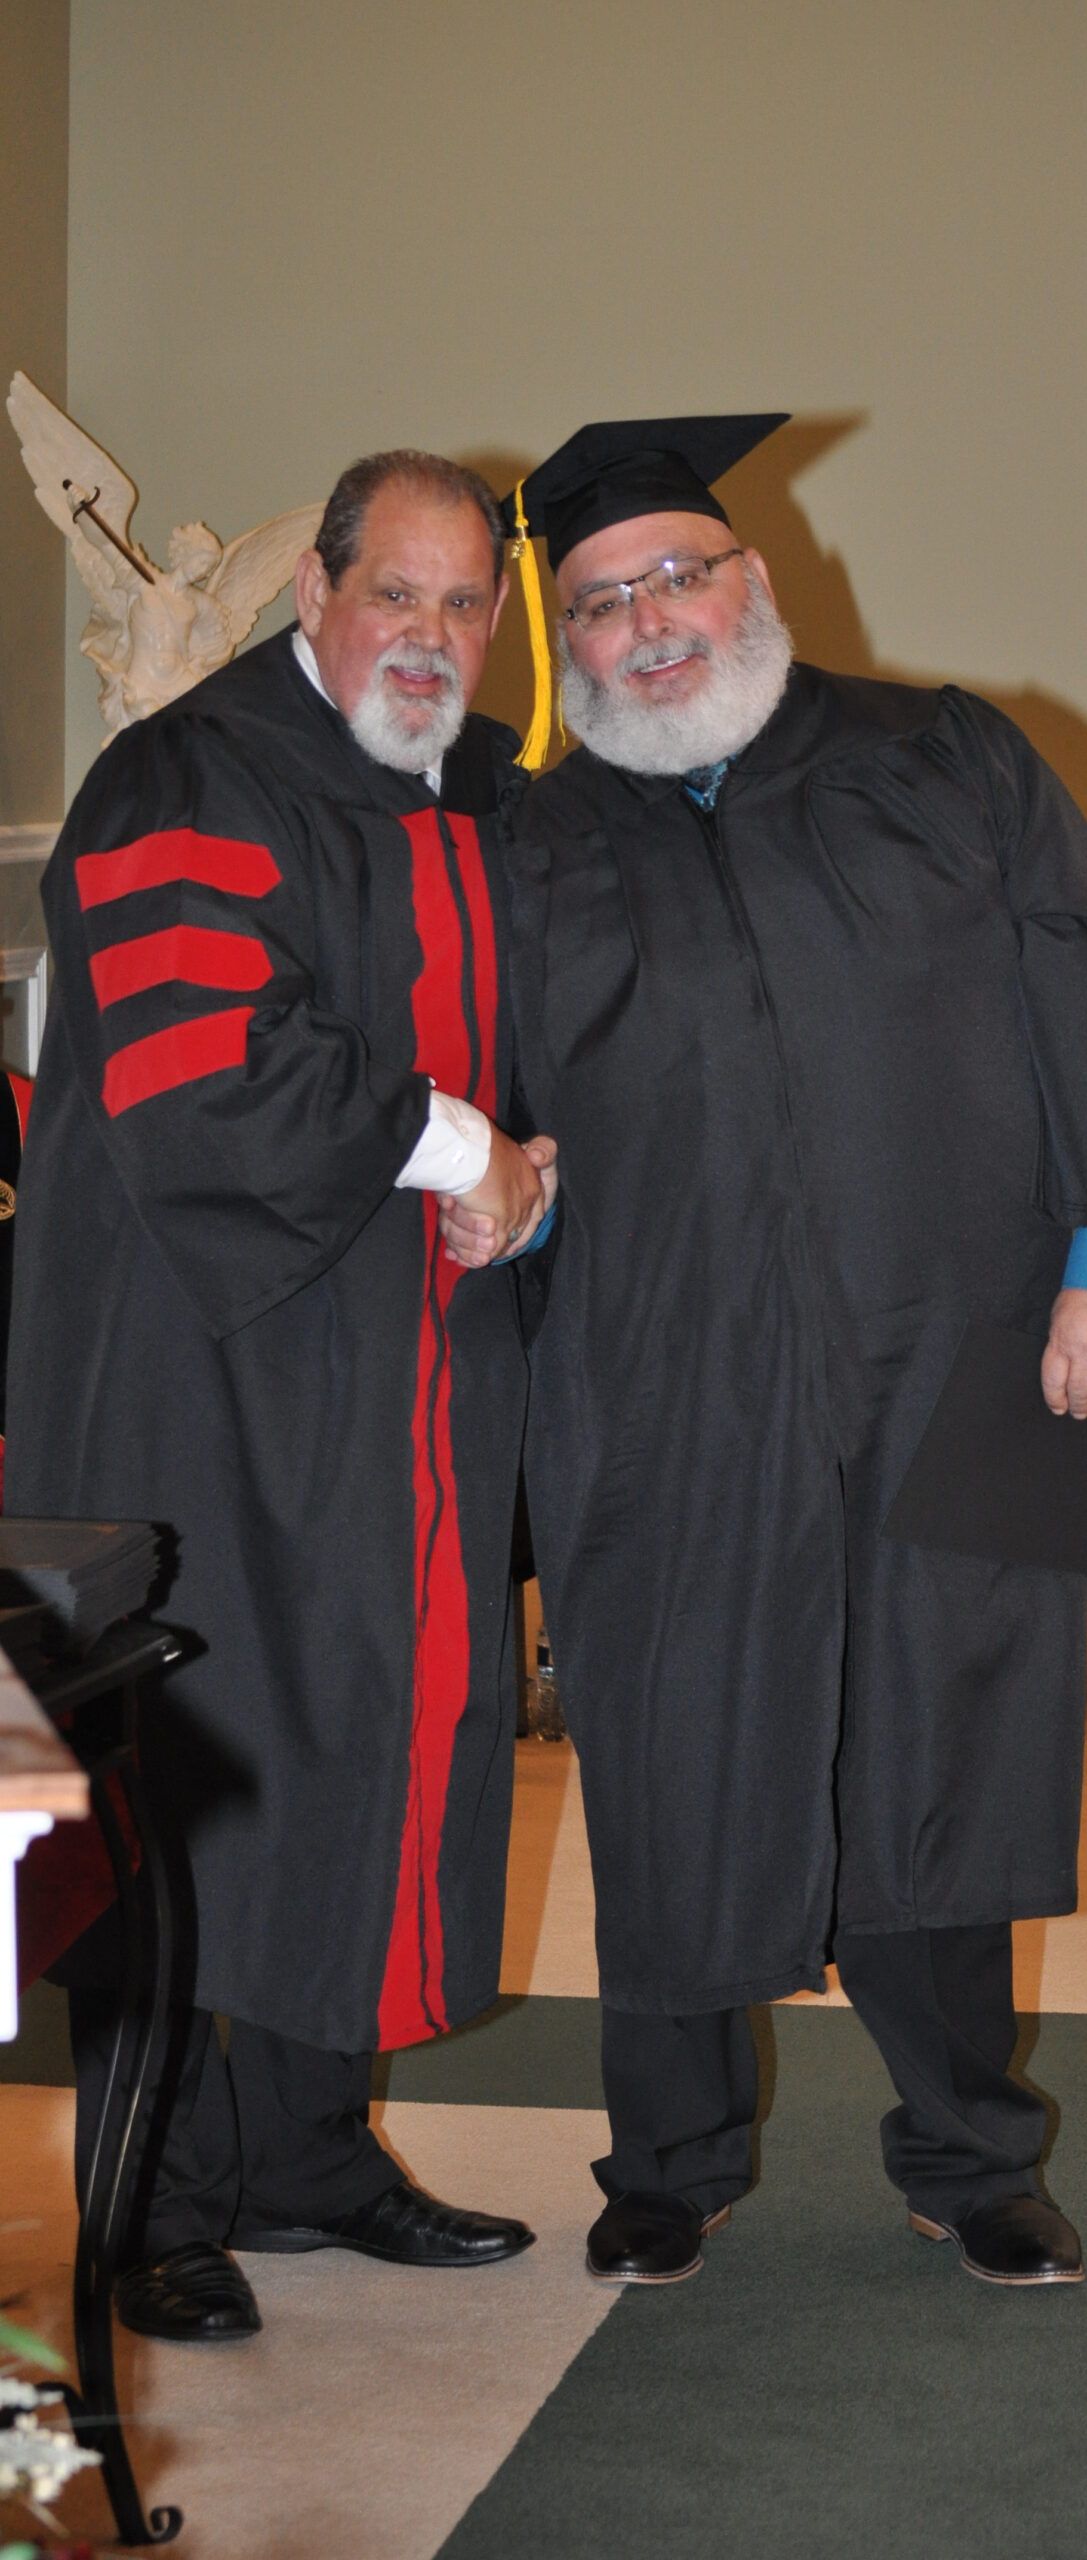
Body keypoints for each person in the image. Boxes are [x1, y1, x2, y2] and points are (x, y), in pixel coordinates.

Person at [447, 415, 1087, 2290]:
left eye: (679, 576)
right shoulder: (531, 836)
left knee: (944, 1743)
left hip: (955, 1349)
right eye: (601, 602)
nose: (650, 623)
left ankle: (973, 2154)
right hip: (662, 1374)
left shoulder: (944, 754)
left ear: (755, 581)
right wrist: (512, 1202)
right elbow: (494, 1107)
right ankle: (669, 2157)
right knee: (670, 1753)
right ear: (568, 639)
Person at [7, 450, 555, 2343]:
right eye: (395, 591)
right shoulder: (186, 776)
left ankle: (313, 2150)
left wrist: (536, 1175)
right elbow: (202, 1054)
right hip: (199, 1370)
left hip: (404, 1375)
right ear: (313, 593)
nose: (430, 635)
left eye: (465, 602)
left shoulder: (472, 797)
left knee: (368, 1731)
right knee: (194, 1757)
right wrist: (461, 1143)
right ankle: (152, 2193)